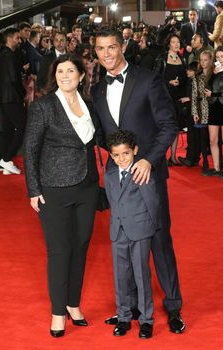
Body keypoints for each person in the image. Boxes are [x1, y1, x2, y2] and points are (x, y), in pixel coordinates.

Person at [92, 27, 185, 334]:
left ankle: (173, 307)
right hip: (118, 179)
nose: (106, 54)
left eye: (112, 47)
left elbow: (169, 125)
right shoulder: (97, 89)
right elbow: (104, 135)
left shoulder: (147, 79)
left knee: (159, 240)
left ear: (123, 47)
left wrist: (147, 159)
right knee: (124, 241)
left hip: (148, 175)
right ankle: (130, 307)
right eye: (101, 48)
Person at [23, 53, 100, 337]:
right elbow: (30, 149)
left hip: (88, 186)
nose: (65, 76)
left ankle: (73, 304)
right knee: (59, 250)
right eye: (60, 72)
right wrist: (33, 189)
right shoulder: (43, 106)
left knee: (81, 246)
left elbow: (97, 139)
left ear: (81, 75)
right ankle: (57, 312)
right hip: (54, 188)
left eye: (70, 71)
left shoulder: (89, 104)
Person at [104, 129, 160, 339]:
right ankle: (124, 317)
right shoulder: (109, 175)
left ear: (135, 151)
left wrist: (151, 228)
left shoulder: (141, 171)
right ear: (110, 155)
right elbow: (112, 201)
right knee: (120, 277)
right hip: (117, 232)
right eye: (116, 155)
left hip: (140, 231)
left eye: (126, 153)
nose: (121, 159)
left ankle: (146, 320)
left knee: (141, 275)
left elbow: (152, 202)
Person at [154, 33, 187, 166]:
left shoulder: (182, 59)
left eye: (178, 42)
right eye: (173, 42)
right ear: (169, 44)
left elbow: (184, 79)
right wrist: (168, 83)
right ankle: (160, 157)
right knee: (164, 128)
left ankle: (173, 157)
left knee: (175, 128)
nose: (176, 44)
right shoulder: (162, 58)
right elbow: (155, 78)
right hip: (164, 97)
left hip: (178, 98)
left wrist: (182, 82)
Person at [0, 27, 26, 175]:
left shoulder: (3, 54)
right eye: (17, 38)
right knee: (23, 127)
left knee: (8, 130)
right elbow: (14, 79)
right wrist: (24, 93)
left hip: (4, 98)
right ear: (9, 39)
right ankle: (7, 159)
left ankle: (3, 161)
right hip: (12, 97)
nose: (19, 41)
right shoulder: (9, 55)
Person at [191, 50, 214, 175]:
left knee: (215, 139)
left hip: (214, 110)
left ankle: (218, 163)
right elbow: (194, 96)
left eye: (206, 60)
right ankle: (205, 163)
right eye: (201, 60)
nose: (203, 62)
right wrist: (194, 112)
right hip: (201, 111)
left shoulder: (214, 75)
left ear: (210, 60)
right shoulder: (197, 77)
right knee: (203, 138)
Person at [204, 45, 223, 175]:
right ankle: (217, 168)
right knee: (213, 140)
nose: (219, 59)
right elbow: (207, 87)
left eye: (222, 56)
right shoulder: (213, 70)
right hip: (214, 107)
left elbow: (215, 92)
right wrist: (213, 74)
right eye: (217, 57)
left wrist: (213, 94)